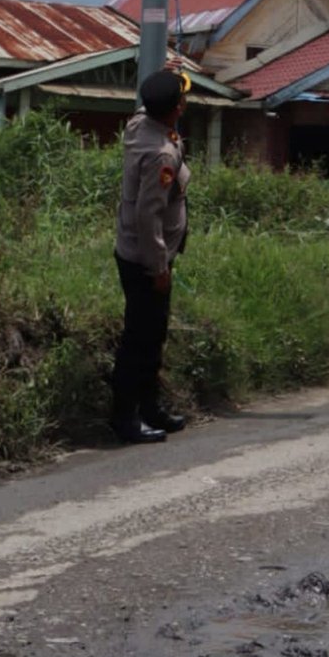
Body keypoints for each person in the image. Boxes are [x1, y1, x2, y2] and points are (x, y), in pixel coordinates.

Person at [110, 70, 192, 445]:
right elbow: (149, 215)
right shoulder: (160, 153)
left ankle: (150, 407)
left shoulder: (141, 124)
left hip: (139, 249)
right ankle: (126, 418)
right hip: (146, 256)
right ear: (176, 109)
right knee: (140, 339)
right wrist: (158, 267)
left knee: (153, 334)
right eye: (183, 99)